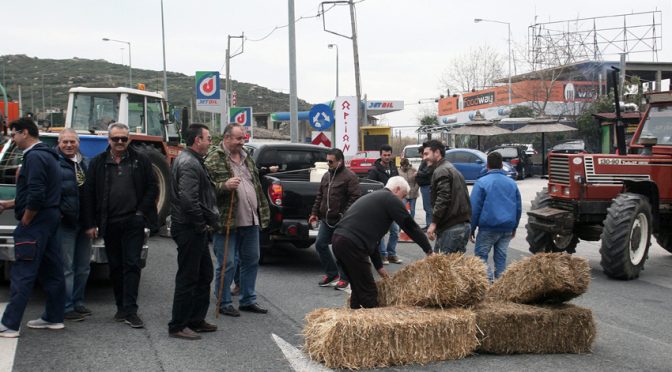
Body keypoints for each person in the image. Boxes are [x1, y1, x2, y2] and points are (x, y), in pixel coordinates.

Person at [82, 122, 158, 329]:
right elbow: (88, 194)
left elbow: (152, 187)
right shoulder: (98, 163)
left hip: (133, 221)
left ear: (129, 139)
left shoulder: (141, 160)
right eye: (115, 138)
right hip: (110, 222)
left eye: (123, 138)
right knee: (115, 267)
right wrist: (90, 223)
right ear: (109, 140)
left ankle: (131, 310)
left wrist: (140, 212)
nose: (120, 142)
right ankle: (120, 308)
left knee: (132, 264)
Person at [0, 118, 63, 338]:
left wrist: (26, 219)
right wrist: (9, 204)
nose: (13, 138)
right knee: (53, 269)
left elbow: (36, 194)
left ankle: (9, 325)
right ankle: (54, 317)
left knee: (23, 273)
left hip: (35, 223)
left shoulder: (34, 157)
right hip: (50, 219)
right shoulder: (48, 155)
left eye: (14, 134)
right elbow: (36, 193)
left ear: (25, 132)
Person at [332, 176, 433, 309]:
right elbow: (410, 226)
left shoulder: (376, 197)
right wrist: (428, 250)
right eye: (403, 196)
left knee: (358, 287)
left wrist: (379, 267)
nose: (402, 201)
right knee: (369, 291)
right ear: (397, 189)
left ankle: (353, 320)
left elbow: (373, 240)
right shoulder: (390, 199)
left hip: (339, 240)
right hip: (352, 243)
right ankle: (372, 326)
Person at [205, 123, 270, 317]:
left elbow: (255, 184)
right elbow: (205, 189)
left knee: (251, 260)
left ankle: (247, 299)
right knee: (228, 263)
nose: (243, 142)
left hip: (250, 219)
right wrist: (224, 185)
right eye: (238, 138)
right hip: (226, 221)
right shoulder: (213, 158)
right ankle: (224, 302)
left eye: (243, 138)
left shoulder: (247, 157)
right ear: (226, 138)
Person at [168, 124, 219, 340]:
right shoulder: (189, 163)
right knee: (188, 277)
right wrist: (201, 223)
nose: (210, 142)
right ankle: (178, 325)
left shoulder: (192, 160)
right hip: (189, 227)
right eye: (208, 138)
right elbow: (189, 200)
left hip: (193, 227)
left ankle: (195, 319)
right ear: (197, 140)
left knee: (204, 273)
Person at [309, 148, 360, 291]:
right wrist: (314, 212)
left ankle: (345, 278)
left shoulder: (350, 177)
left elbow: (355, 197)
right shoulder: (326, 176)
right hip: (326, 219)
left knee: (340, 249)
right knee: (320, 245)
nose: (328, 163)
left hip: (342, 220)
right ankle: (332, 274)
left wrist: (344, 214)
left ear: (340, 161)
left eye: (331, 161)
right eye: (327, 161)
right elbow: (320, 196)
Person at [56, 129, 93, 322]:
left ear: (78, 143)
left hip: (84, 224)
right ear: (59, 143)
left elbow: (91, 194)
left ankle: (78, 303)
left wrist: (92, 222)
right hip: (65, 224)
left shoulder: (86, 163)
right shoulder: (54, 163)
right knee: (66, 267)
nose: (69, 145)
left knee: (83, 267)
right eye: (65, 142)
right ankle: (66, 306)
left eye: (72, 142)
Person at [470, 151, 522, 281]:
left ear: (487, 165)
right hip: (507, 228)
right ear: (501, 165)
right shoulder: (511, 183)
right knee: (501, 257)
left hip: (488, 227)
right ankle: (501, 285)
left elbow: (474, 208)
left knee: (481, 256)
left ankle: (488, 282)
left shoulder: (482, 183)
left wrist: (471, 228)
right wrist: (514, 227)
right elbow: (518, 207)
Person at [420, 140, 472, 253]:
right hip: (461, 225)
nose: (424, 158)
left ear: (437, 152)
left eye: (426, 154)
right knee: (454, 267)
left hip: (452, 227)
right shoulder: (450, 168)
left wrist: (433, 223)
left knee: (442, 268)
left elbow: (443, 198)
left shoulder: (441, 170)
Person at [367, 144, 401, 264]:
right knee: (381, 232)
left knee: (395, 231)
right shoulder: (374, 170)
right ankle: (383, 255)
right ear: (380, 155)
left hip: (392, 204)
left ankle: (391, 253)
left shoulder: (393, 168)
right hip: (380, 205)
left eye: (388, 155)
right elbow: (370, 187)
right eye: (384, 155)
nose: (387, 157)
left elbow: (398, 182)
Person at [416, 159, 434, 230]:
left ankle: (430, 225)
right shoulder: (424, 162)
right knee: (426, 207)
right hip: (424, 186)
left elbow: (427, 172)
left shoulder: (430, 162)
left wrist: (418, 173)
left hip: (427, 186)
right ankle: (428, 224)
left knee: (428, 207)